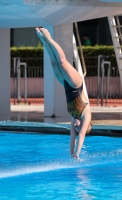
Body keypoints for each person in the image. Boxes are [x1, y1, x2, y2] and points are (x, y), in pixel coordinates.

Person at [36, 27, 92, 159]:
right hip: (76, 84)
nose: (75, 126)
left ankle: (44, 41)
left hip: (66, 85)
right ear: (84, 125)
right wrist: (78, 153)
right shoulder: (86, 115)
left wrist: (72, 154)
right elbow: (81, 135)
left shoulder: (74, 116)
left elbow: (72, 137)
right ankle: (49, 37)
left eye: (76, 127)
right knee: (62, 62)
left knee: (54, 63)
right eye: (78, 127)